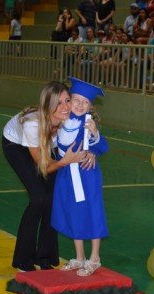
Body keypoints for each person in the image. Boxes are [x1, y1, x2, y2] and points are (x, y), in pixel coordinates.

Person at [2, 81, 95, 272]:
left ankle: (44, 257)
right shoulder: (32, 124)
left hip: (46, 146)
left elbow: (86, 140)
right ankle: (23, 260)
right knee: (38, 198)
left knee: (53, 198)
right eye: (58, 103)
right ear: (47, 105)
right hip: (17, 144)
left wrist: (91, 151)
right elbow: (43, 166)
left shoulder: (71, 120)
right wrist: (63, 162)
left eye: (67, 100)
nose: (65, 107)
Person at [51, 77, 109, 277]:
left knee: (92, 213)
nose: (80, 105)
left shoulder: (88, 124)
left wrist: (94, 140)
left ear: (91, 106)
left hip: (86, 175)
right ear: (69, 100)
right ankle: (79, 257)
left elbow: (103, 146)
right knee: (73, 213)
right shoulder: (63, 121)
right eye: (76, 100)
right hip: (66, 175)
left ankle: (94, 258)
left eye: (85, 102)